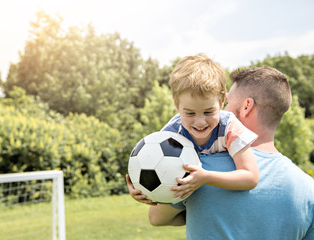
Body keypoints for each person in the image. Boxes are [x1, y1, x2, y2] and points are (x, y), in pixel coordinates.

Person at [127, 66, 314, 239]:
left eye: (225, 103)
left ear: (246, 106)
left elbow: (157, 217)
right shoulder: (308, 188)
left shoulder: (195, 168)